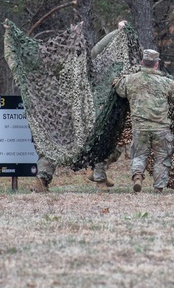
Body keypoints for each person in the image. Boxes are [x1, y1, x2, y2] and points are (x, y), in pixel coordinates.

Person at [37, 21, 126, 191]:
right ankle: (99, 180)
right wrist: (117, 32)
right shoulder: (83, 66)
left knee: (55, 146)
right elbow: (99, 48)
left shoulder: (60, 65)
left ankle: (42, 180)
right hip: (79, 113)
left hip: (67, 113)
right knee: (101, 141)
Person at [113, 48, 174, 193]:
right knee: (161, 158)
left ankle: (137, 176)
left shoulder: (130, 79)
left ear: (142, 62)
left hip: (140, 127)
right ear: (156, 64)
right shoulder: (166, 82)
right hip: (161, 128)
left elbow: (119, 90)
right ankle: (158, 188)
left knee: (139, 155)